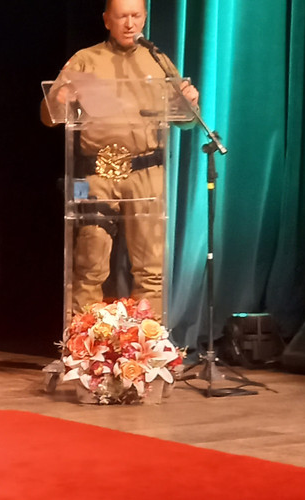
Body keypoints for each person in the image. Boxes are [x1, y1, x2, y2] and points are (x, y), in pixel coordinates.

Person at [41, 0, 200, 319]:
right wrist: (58, 100)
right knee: (89, 263)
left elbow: (187, 122)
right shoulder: (85, 60)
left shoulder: (158, 60)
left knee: (151, 268)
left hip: (147, 172)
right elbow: (48, 116)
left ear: (145, 17)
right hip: (96, 174)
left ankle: (148, 341)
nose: (130, 24)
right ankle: (84, 341)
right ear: (106, 20)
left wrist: (190, 104)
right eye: (122, 16)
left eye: (136, 16)